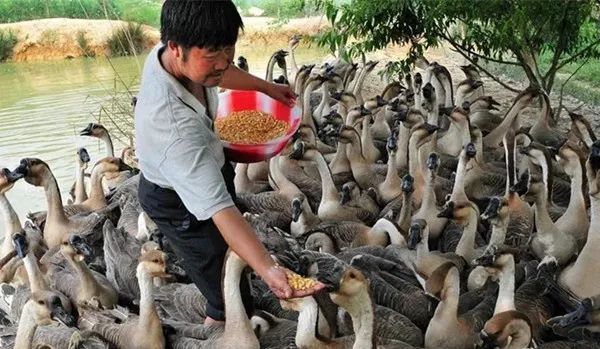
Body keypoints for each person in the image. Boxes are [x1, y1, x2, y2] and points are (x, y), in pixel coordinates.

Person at [135, 0, 323, 325]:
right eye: (213, 55)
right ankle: (222, 326)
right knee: (224, 282)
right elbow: (220, 209)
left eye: (229, 50)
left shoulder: (174, 56)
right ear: (177, 47)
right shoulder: (174, 127)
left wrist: (267, 88)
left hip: (202, 163)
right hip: (173, 200)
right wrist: (271, 271)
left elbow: (221, 70)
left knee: (230, 246)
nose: (223, 63)